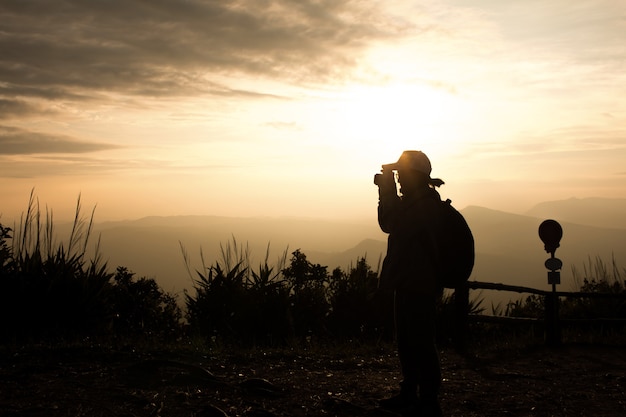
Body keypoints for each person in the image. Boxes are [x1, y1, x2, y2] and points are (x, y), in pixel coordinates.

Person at [374, 150, 445, 417]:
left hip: (419, 282)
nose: (399, 179)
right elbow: (389, 223)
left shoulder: (425, 205)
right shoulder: (416, 202)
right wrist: (388, 191)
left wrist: (386, 192)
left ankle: (427, 399)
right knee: (406, 339)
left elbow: (391, 223)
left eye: (401, 174)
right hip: (408, 280)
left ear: (414, 177)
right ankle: (410, 392)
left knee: (421, 341)